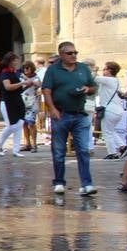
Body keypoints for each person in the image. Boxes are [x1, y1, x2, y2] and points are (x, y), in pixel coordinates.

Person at [42, 41, 97, 196]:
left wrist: (87, 89)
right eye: (70, 53)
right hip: (61, 114)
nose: (73, 55)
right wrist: (52, 109)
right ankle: (59, 182)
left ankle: (87, 184)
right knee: (59, 151)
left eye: (75, 53)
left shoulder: (83, 68)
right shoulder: (53, 70)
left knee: (83, 150)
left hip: (80, 114)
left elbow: (93, 87)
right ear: (61, 55)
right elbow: (46, 90)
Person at [0, 53, 29, 157]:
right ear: (9, 62)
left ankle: (16, 150)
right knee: (11, 126)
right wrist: (22, 83)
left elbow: (19, 89)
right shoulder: (5, 73)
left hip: (17, 101)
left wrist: (28, 84)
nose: (17, 62)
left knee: (19, 124)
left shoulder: (16, 73)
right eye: (15, 60)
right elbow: (8, 87)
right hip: (7, 102)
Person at [98, 61, 125, 159]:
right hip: (117, 110)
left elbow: (94, 78)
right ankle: (122, 146)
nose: (103, 71)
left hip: (110, 110)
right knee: (111, 130)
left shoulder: (108, 80)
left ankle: (112, 153)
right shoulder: (115, 81)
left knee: (106, 132)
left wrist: (93, 70)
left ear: (110, 70)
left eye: (104, 69)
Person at [20, 63, 41, 153]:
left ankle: (34, 144)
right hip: (22, 103)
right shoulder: (20, 78)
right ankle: (27, 144)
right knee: (24, 123)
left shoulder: (36, 77)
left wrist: (26, 78)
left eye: (27, 68)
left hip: (32, 103)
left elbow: (38, 84)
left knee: (31, 123)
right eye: (24, 68)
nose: (26, 70)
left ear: (31, 68)